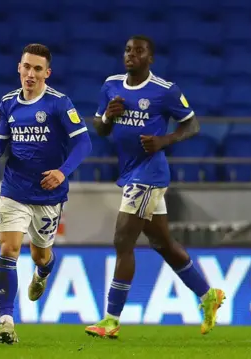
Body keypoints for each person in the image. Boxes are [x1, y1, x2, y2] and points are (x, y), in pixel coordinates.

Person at [84, 35, 225, 339]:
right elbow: (100, 128)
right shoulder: (111, 85)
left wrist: (164, 141)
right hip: (130, 170)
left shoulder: (164, 91)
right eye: (127, 50)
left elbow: (191, 124)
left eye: (139, 51)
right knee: (162, 244)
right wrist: (108, 115)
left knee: (123, 240)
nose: (131, 55)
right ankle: (207, 295)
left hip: (149, 173)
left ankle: (111, 319)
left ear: (151, 58)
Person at [0, 43, 92, 344]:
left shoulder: (59, 104)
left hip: (48, 195)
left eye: (37, 69)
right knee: (8, 249)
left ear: (47, 73)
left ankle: (43, 272)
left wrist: (62, 172)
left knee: (40, 255)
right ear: (19, 67)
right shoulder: (7, 103)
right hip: (14, 189)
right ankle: (6, 321)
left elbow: (84, 144)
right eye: (26, 67)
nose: (30, 73)